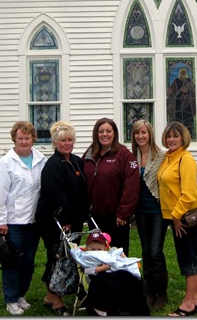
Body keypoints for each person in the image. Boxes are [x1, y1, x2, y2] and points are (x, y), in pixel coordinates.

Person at [0, 121, 47, 315]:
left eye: (27, 138)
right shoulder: (6, 163)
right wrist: (1, 220)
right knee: (12, 261)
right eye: (20, 138)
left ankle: (21, 294)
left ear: (33, 139)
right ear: (14, 138)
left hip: (34, 221)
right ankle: (11, 299)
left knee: (29, 261)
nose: (24, 141)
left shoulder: (41, 160)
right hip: (13, 222)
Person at [35, 121, 88, 316]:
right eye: (63, 140)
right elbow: (56, 193)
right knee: (56, 255)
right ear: (56, 142)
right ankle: (54, 296)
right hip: (54, 218)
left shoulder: (76, 161)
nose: (67, 143)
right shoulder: (53, 165)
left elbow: (82, 189)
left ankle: (54, 292)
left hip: (73, 217)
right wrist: (66, 218)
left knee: (68, 255)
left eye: (70, 140)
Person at [157, 121, 197, 316]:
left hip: (185, 218)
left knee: (188, 258)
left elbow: (190, 194)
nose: (171, 139)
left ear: (183, 137)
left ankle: (188, 304)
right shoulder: (169, 157)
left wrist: (176, 217)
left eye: (175, 136)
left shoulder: (185, 159)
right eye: (169, 136)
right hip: (176, 217)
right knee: (190, 254)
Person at [82, 117, 140, 257]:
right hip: (94, 217)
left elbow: (131, 185)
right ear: (96, 134)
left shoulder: (124, 155)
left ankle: (119, 279)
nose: (105, 134)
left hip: (116, 218)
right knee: (97, 255)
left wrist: (123, 213)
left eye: (109, 131)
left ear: (114, 133)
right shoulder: (89, 155)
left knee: (117, 256)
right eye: (101, 131)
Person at [131, 119, 168, 309]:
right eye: (137, 133)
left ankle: (162, 291)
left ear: (150, 134)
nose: (140, 136)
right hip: (140, 210)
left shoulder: (161, 156)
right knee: (146, 251)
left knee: (155, 250)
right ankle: (149, 289)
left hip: (157, 210)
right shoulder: (132, 156)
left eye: (144, 132)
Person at [167, 68, 196, 139]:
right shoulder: (176, 81)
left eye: (184, 72)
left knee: (188, 119)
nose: (183, 74)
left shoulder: (189, 81)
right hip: (178, 104)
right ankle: (177, 135)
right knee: (178, 119)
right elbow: (171, 90)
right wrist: (170, 91)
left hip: (188, 104)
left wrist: (188, 91)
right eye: (182, 72)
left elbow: (194, 91)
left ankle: (190, 136)